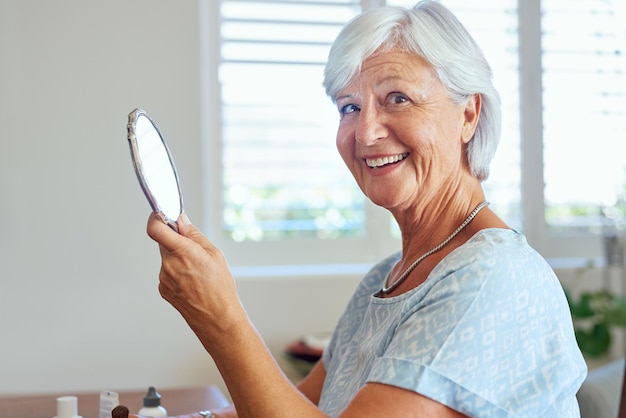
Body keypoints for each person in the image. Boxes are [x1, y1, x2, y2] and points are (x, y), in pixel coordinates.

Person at [146, 1, 587, 417]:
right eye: (349, 107)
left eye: (398, 98)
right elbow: (288, 408)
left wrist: (220, 318)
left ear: (468, 114)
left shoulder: (492, 277)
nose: (366, 133)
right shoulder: (382, 282)